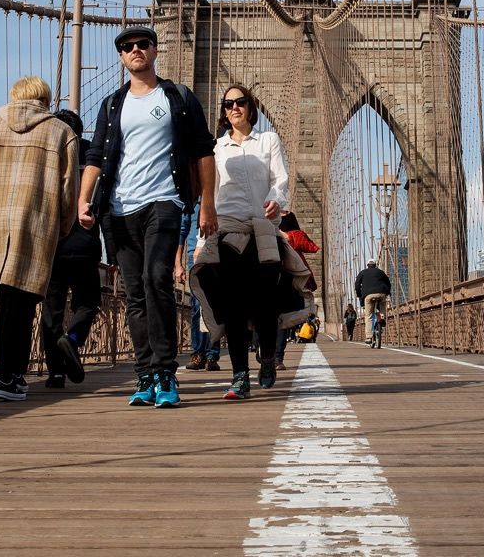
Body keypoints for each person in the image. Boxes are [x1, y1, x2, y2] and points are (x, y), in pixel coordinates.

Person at [77, 25, 217, 409]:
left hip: (164, 200)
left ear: (155, 51)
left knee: (157, 280)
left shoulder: (179, 98)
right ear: (121, 58)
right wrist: (82, 200)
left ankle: (166, 371)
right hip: (119, 209)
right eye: (126, 47)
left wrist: (207, 205)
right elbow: (96, 157)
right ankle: (145, 375)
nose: (135, 50)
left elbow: (204, 152)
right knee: (135, 291)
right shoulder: (111, 104)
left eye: (142, 44)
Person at [0, 76, 78, 402]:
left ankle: (4, 374)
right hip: (36, 226)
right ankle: (9, 376)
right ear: (45, 98)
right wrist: (63, 227)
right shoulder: (61, 132)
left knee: (5, 301)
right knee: (24, 304)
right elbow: (69, 194)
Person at [191, 84, 312, 400]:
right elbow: (208, 194)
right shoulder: (215, 149)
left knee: (265, 303)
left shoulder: (268, 141)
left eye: (240, 102)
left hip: (262, 229)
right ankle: (240, 377)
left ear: (251, 107)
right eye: (228, 104)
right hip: (228, 231)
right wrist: (200, 240)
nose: (234, 108)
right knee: (232, 305)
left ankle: (269, 357)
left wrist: (275, 200)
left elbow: (280, 180)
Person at [40, 110, 102, 389]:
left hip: (52, 245)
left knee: (51, 310)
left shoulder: (45, 158)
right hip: (86, 245)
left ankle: (54, 373)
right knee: (87, 302)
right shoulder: (94, 159)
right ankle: (74, 339)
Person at [275, 211, 320, 370]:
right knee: (277, 319)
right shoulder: (291, 235)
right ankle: (274, 356)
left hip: (278, 278)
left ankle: (272, 355)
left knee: (273, 317)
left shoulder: (289, 234)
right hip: (283, 279)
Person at [179, 208, 221, 372]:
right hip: (194, 255)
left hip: (217, 253)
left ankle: (212, 354)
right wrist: (177, 263)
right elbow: (182, 231)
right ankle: (198, 353)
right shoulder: (190, 203)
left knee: (215, 305)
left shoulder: (217, 198)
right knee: (197, 305)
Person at [355, 259, 391, 339]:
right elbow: (388, 282)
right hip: (381, 293)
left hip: (368, 295)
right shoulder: (380, 272)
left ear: (368, 265)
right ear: (375, 265)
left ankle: (368, 337)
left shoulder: (362, 272)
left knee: (369, 316)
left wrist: (359, 295)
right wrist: (388, 292)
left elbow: (357, 285)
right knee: (382, 305)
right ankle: (382, 316)